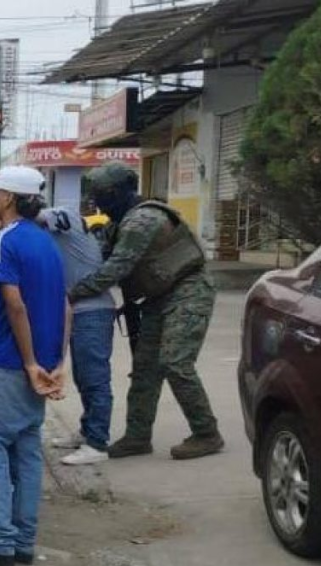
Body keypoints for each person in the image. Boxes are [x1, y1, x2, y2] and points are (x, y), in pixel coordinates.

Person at [69, 162, 224, 460]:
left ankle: (207, 433)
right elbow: (101, 257)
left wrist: (72, 293)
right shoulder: (119, 222)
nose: (97, 199)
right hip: (158, 296)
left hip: (188, 289)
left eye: (102, 193)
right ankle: (138, 437)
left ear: (120, 191)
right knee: (145, 369)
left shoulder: (142, 220)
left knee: (175, 362)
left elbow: (115, 269)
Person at [0, 166, 71, 566]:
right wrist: (55, 362)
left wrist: (27, 362)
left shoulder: (2, 240)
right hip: (42, 365)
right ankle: (23, 542)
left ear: (8, 198)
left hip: (10, 363)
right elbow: (65, 305)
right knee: (26, 453)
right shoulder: (47, 243)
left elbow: (14, 304)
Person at [37, 197, 117, 465]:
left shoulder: (63, 215)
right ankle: (87, 432)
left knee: (95, 377)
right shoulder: (52, 230)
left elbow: (35, 217)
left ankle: (97, 443)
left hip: (92, 311)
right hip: (79, 310)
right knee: (84, 377)